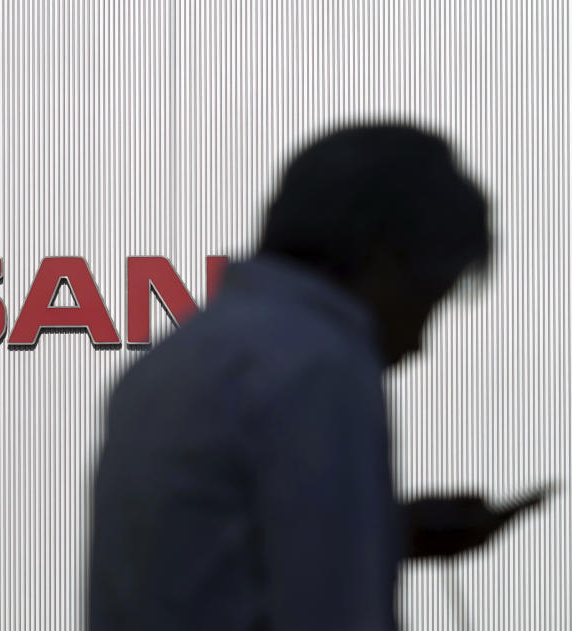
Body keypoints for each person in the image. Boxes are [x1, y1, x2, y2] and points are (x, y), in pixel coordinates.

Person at [88, 124, 521, 630]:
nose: (419, 343)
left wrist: (385, 530)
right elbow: (333, 607)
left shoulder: (174, 358)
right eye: (428, 301)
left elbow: (221, 559)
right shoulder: (320, 368)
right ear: (386, 259)